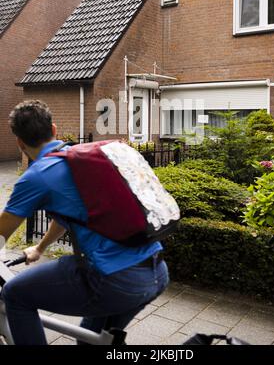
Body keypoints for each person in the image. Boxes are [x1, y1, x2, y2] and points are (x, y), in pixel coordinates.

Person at [0, 100, 169, 345]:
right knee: (89, 341)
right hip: (156, 272)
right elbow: (69, 216)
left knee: (15, 294)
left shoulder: (37, 177)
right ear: (55, 130)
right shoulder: (81, 162)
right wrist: (39, 248)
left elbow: (2, 233)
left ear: (19, 142)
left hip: (113, 280)